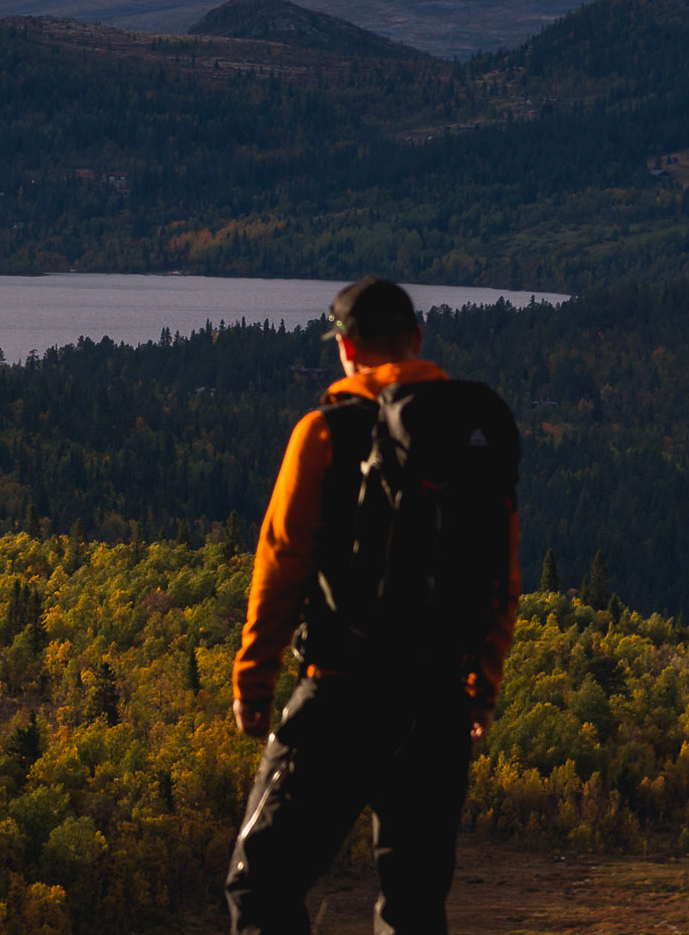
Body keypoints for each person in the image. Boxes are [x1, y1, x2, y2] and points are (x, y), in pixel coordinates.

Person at [225, 278, 523, 935]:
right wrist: (480, 689)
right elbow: (503, 579)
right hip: (438, 705)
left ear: (346, 348)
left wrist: (254, 682)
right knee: (414, 906)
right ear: (417, 341)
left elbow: (280, 564)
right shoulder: (469, 438)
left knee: (261, 884)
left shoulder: (324, 433)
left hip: (342, 694)